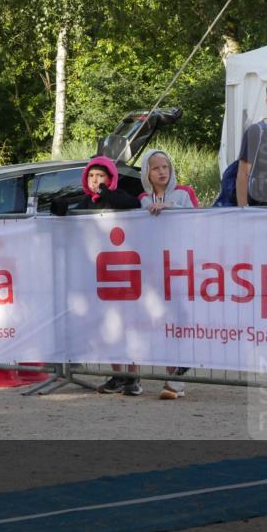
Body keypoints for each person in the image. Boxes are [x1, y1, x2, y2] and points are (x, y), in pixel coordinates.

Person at [52, 156, 142, 395]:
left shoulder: (118, 196)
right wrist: (59, 208)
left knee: (127, 325)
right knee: (108, 327)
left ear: (110, 178)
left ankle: (134, 376)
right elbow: (67, 213)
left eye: (100, 176)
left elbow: (132, 204)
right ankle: (117, 374)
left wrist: (105, 192)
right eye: (91, 176)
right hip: (96, 273)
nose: (95, 181)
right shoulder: (84, 201)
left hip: (122, 270)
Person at [139, 149, 198, 399]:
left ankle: (179, 375)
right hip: (157, 268)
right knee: (166, 322)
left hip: (185, 264)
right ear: (147, 173)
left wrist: (169, 208)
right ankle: (172, 380)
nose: (162, 171)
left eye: (165, 166)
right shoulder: (144, 198)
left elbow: (200, 219)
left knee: (184, 317)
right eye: (156, 168)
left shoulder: (185, 193)